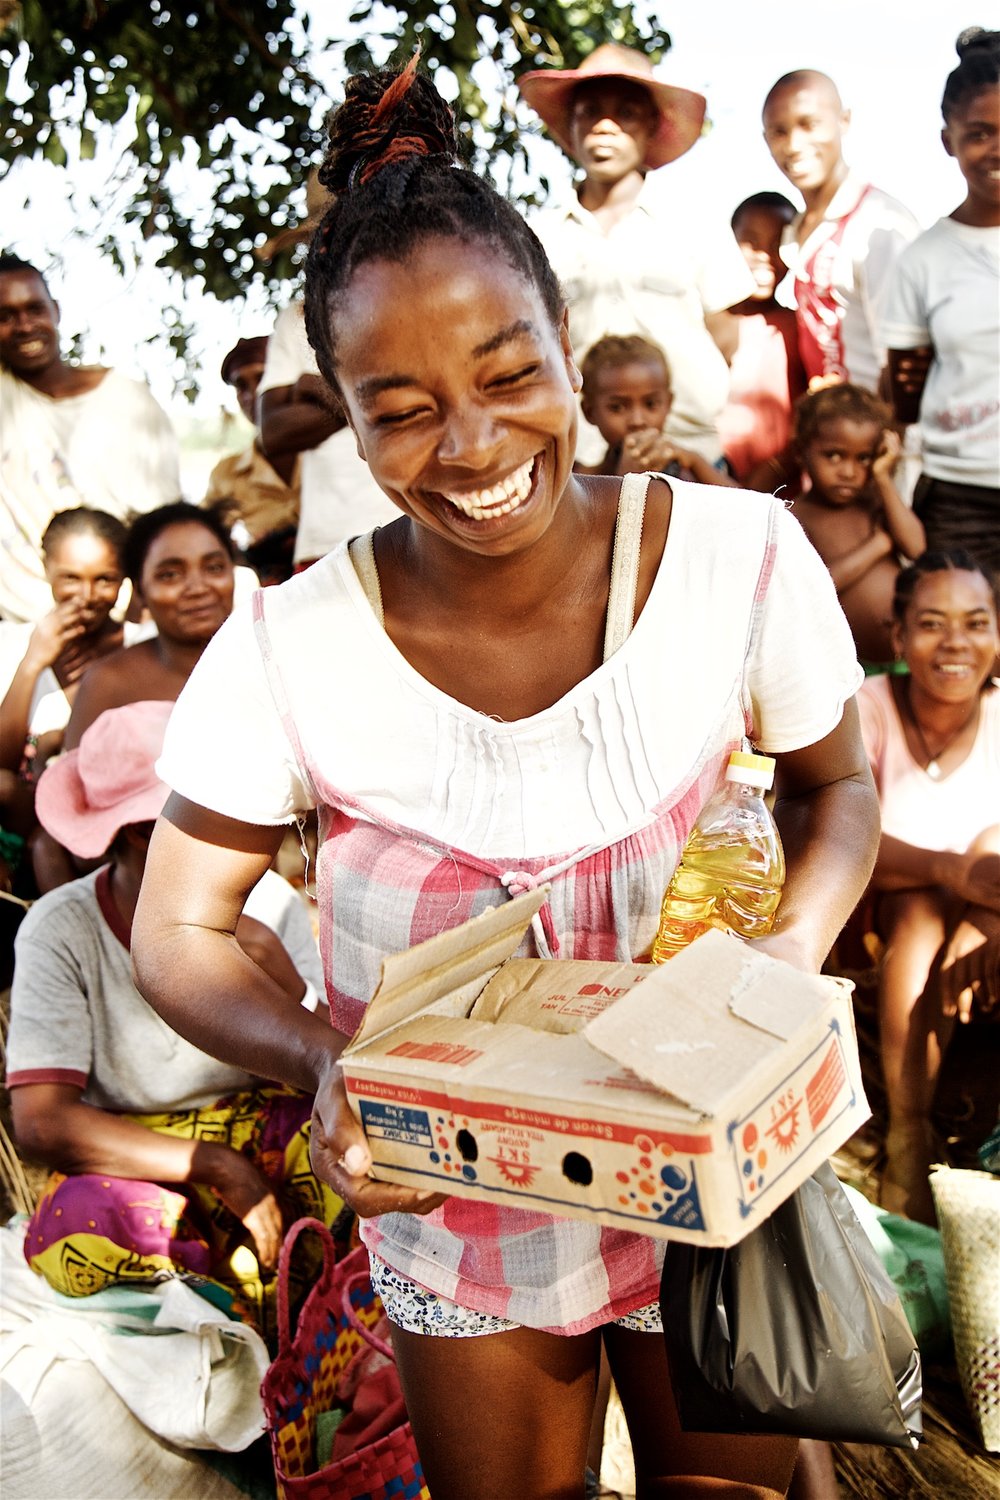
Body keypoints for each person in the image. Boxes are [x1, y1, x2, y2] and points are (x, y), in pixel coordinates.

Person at [132, 59, 879, 1500]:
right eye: (398, 407)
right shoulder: (286, 645)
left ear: (564, 339)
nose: (471, 447)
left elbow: (835, 784)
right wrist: (318, 1060)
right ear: (337, 415)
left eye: (509, 374)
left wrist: (789, 951)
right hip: (455, 1197)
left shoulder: (735, 558)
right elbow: (177, 928)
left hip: (706, 1163)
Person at [6, 699, 339, 1338]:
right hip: (139, 1153)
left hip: (268, 1124)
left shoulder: (267, 904)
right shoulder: (62, 929)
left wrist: (279, 978)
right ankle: (238, 1341)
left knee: (354, 1167)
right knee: (80, 1225)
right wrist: (213, 1165)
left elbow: (323, 1072)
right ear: (139, 832)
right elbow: (43, 1122)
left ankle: (306, 1347)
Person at [519, 45, 755, 469]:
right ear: (571, 127)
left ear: (651, 126)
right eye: (589, 111)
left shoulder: (694, 221)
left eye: (625, 113)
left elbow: (727, 340)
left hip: (689, 455)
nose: (605, 126)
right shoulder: (539, 237)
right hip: (584, 464)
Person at [857, 552, 1000, 1225]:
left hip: (989, 921)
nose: (955, 645)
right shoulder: (871, 707)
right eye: (932, 624)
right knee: (918, 912)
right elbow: (850, 835)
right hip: (892, 915)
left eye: (976, 623)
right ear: (898, 638)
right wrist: (950, 874)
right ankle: (908, 1132)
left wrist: (982, 914)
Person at [0, 255, 180, 623]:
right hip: (24, 635)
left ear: (56, 311)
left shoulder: (128, 399)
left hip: (126, 624)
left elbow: (161, 524)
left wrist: (132, 624)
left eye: (34, 309)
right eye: (4, 316)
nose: (23, 326)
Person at [882, 28, 1000, 582]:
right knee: (967, 657)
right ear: (948, 140)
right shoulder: (922, 260)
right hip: (959, 499)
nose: (997, 149)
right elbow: (906, 393)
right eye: (980, 133)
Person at [761, 71, 919, 393]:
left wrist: (897, 438)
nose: (793, 145)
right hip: (834, 435)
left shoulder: (879, 224)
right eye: (779, 132)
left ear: (844, 121)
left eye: (809, 124)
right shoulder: (795, 230)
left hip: (884, 435)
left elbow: (908, 357)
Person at [63, 500, 235, 751]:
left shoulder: (273, 662)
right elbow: (71, 785)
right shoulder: (108, 685)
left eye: (214, 568)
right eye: (170, 575)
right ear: (140, 590)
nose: (198, 588)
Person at [787, 384, 925, 668]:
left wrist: (883, 478)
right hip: (847, 666)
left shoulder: (875, 501)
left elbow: (916, 547)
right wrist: (877, 547)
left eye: (863, 458)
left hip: (908, 658)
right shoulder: (798, 515)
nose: (848, 472)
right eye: (834, 455)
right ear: (801, 452)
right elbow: (816, 586)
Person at [0, 507, 127, 795]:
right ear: (47, 569)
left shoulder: (140, 645)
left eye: (104, 579)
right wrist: (31, 664)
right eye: (71, 578)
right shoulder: (10, 645)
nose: (87, 596)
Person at [718, 192, 808, 485]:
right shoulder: (711, 322)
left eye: (778, 244)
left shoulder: (799, 325)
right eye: (752, 242)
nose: (766, 255)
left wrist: (770, 475)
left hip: (778, 487)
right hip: (712, 482)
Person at [204, 335, 300, 584]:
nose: (252, 394)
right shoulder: (227, 474)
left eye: (262, 378)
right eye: (241, 386)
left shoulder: (334, 454)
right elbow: (205, 540)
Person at [578, 334, 737, 485]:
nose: (637, 421)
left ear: (668, 404)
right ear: (589, 412)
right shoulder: (584, 480)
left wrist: (696, 461)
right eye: (617, 407)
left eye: (650, 404)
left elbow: (746, 505)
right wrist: (625, 481)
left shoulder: (685, 471)